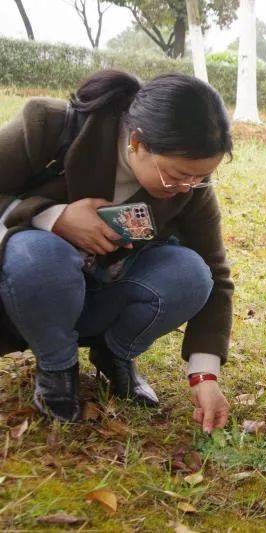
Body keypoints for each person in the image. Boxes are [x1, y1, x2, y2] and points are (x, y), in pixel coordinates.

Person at [0, 70, 234, 431]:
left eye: (200, 177)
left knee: (192, 273)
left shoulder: (191, 189)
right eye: (176, 175)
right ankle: (56, 367)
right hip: (30, 292)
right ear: (137, 142)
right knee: (42, 254)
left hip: (103, 292)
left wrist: (205, 375)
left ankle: (114, 353)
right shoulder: (49, 124)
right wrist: (52, 217)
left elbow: (217, 274)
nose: (187, 187)